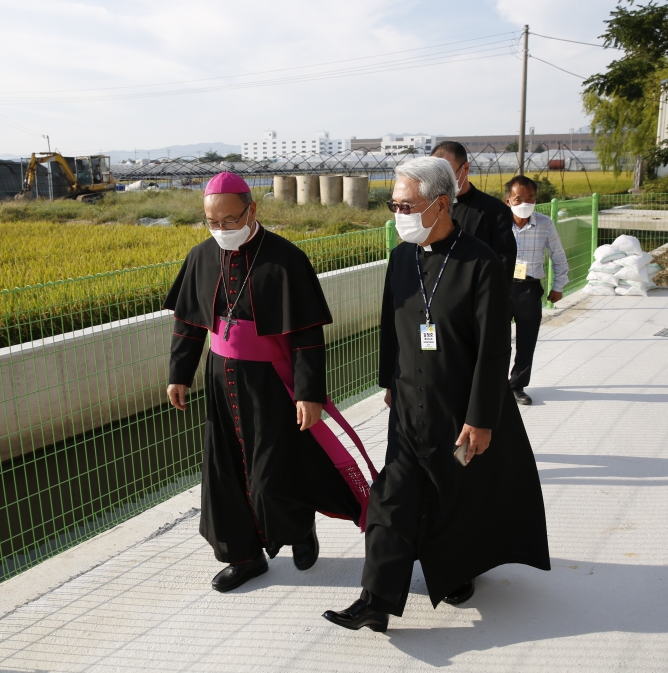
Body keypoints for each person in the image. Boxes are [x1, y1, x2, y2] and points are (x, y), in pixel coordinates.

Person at [322, 157, 550, 632]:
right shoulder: (403, 255)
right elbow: (392, 322)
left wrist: (482, 417)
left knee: (456, 495)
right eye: (394, 203)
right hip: (409, 401)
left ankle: (458, 570)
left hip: (458, 404)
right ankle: (376, 600)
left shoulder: (480, 263)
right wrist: (388, 382)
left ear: (440, 205)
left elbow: (493, 350)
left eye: (406, 204)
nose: (397, 212)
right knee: (391, 496)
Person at [164, 172, 376, 593]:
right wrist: (178, 375)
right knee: (223, 472)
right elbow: (188, 322)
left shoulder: (285, 259)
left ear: (252, 210)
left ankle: (298, 531)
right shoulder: (201, 256)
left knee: (275, 469)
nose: (221, 230)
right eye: (212, 222)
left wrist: (309, 393)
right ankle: (243, 556)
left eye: (229, 220)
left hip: (271, 382)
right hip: (220, 382)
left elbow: (306, 335)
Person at [504, 175, 569, 406]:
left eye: (530, 197)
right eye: (518, 198)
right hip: (501, 288)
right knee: (496, 339)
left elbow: (558, 256)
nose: (524, 203)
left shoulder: (544, 223)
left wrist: (558, 286)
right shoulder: (498, 224)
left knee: (526, 340)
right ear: (508, 200)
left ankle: (517, 386)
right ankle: (495, 385)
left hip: (529, 289)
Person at [430, 141, 516, 280]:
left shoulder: (495, 211)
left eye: (448, 172)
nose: (443, 180)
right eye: (437, 174)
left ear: (465, 168)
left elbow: (503, 266)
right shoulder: (429, 207)